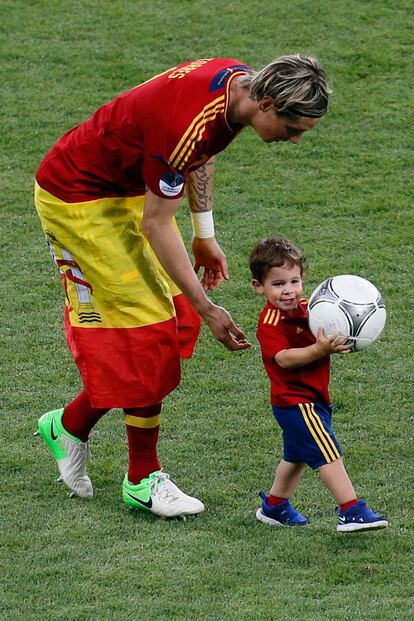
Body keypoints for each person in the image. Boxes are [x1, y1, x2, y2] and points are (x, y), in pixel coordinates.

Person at [34, 54, 330, 518]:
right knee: (145, 331)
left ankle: (69, 424)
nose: (294, 140)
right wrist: (210, 305)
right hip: (80, 199)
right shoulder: (186, 122)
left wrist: (204, 234)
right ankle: (141, 479)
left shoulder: (236, 85)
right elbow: (157, 222)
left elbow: (199, 152)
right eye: (295, 129)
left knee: (176, 323)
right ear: (268, 103)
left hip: (127, 187)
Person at [249, 236, 388, 532]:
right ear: (258, 286)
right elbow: (284, 359)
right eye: (277, 284)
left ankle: (274, 507)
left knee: (296, 456)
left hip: (315, 398)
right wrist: (319, 350)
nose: (288, 291)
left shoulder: (311, 307)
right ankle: (351, 509)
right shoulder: (271, 322)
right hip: (295, 403)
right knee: (327, 451)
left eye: (294, 281)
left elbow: (328, 322)